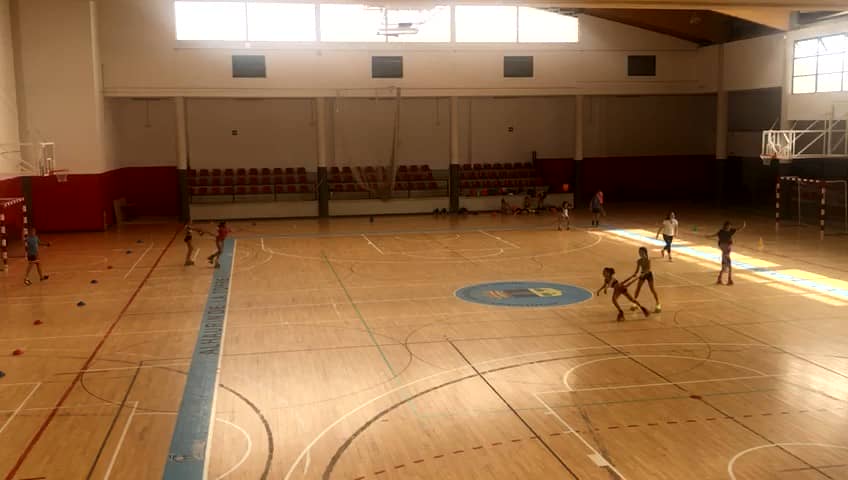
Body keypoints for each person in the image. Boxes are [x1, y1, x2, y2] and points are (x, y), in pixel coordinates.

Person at [706, 220, 746, 285]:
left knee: (724, 268)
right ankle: (729, 280)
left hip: (726, 252)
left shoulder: (730, 231)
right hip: (726, 253)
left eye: (730, 226)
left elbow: (738, 229)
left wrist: (743, 226)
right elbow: (715, 235)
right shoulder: (722, 232)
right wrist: (708, 236)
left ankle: (720, 279)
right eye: (728, 226)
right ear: (726, 226)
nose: (729, 227)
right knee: (729, 267)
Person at [627, 247, 661, 313]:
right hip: (642, 275)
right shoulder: (639, 261)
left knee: (652, 289)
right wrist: (634, 274)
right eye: (639, 252)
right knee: (638, 289)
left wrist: (644, 273)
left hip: (648, 275)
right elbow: (637, 270)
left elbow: (649, 269)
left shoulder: (648, 260)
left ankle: (658, 304)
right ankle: (634, 303)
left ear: (645, 252)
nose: (640, 253)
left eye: (641, 252)